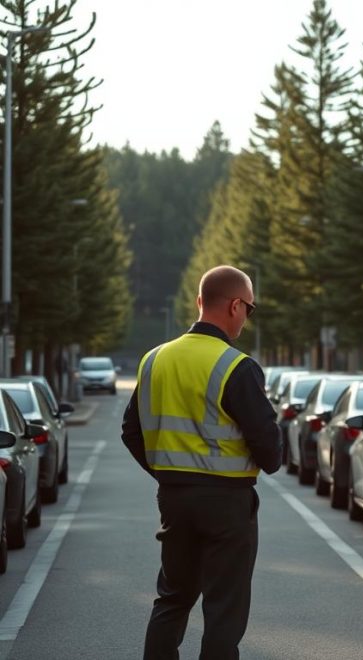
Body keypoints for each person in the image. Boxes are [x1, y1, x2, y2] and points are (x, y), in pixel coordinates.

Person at [121, 265, 281, 660]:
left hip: (174, 497)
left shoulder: (154, 360)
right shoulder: (236, 366)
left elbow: (130, 430)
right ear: (235, 305)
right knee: (223, 609)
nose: (247, 317)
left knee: (172, 598)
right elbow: (271, 453)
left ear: (198, 302)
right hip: (228, 503)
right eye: (250, 309)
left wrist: (166, 471)